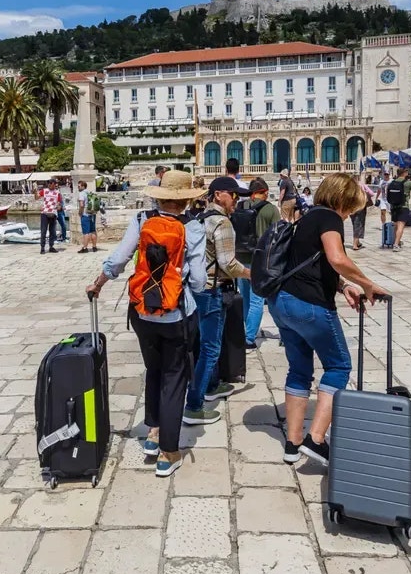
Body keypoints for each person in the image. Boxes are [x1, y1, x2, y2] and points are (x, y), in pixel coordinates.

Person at [86, 170, 205, 476]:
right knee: (175, 378)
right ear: (184, 201)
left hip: (142, 313)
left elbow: (119, 258)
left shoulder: (141, 220)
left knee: (154, 369)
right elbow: (201, 282)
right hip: (177, 314)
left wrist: (98, 283)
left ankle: (152, 433)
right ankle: (168, 452)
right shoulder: (192, 226)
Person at [273, 175, 389, 466]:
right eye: (350, 208)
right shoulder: (329, 217)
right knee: (338, 366)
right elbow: (336, 258)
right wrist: (366, 283)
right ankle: (316, 439)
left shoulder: (307, 217)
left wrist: (343, 286)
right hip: (309, 306)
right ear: (341, 201)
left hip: (281, 302)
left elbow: (313, 263)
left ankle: (293, 442)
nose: (349, 215)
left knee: (299, 369)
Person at [186, 177, 251, 425]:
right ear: (218, 195)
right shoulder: (222, 223)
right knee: (211, 348)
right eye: (233, 195)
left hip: (197, 289)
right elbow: (228, 263)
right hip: (213, 289)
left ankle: (212, 384)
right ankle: (194, 405)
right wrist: (251, 274)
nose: (236, 200)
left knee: (204, 342)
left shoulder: (198, 219)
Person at [234, 178, 280, 347]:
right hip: (259, 260)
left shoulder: (240, 207)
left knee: (245, 298)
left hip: (240, 258)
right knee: (257, 300)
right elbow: (278, 237)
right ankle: (249, 337)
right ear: (265, 192)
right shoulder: (271, 210)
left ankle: (246, 330)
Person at [386, 167, 411, 252]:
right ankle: (395, 245)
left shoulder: (391, 183)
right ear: (405, 173)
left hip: (393, 207)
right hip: (403, 206)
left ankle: (397, 241)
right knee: (401, 226)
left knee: (396, 225)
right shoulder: (408, 183)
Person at [35, 179, 62, 254]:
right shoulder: (44, 191)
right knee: (43, 231)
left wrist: (59, 207)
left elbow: (59, 204)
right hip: (44, 213)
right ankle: (42, 248)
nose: (49, 185)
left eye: (51, 183)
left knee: (52, 231)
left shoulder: (57, 193)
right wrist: (35, 192)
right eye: (48, 183)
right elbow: (36, 198)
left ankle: (51, 246)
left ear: (54, 184)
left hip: (53, 213)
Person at [350, 174, 376, 251]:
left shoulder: (348, 187)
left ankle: (357, 242)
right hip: (360, 206)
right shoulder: (361, 185)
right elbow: (371, 193)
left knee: (355, 224)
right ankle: (355, 244)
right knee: (359, 224)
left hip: (351, 208)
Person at [77, 180, 99, 254]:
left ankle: (85, 248)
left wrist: (80, 213)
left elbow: (82, 205)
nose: (78, 187)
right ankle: (94, 247)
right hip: (92, 214)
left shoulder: (81, 193)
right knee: (93, 230)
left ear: (83, 186)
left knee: (86, 232)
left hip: (85, 214)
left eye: (79, 186)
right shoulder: (90, 193)